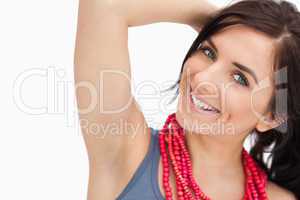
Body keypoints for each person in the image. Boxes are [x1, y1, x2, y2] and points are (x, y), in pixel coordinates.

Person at [73, 0, 300, 199]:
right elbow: (106, 4)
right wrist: (217, 19)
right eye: (209, 52)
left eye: (240, 78)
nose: (202, 78)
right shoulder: (124, 153)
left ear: (272, 117)